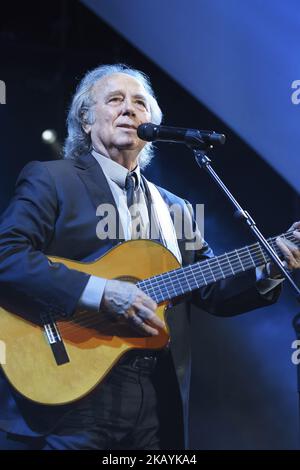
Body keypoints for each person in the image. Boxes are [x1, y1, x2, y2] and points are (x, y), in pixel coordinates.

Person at [0, 63, 299, 450]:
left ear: (151, 125)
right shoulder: (52, 179)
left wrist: (269, 265)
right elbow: (6, 255)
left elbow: (213, 289)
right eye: (115, 100)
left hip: (154, 395)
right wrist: (101, 292)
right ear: (86, 121)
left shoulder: (175, 208)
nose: (129, 109)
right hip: (69, 394)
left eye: (140, 102)